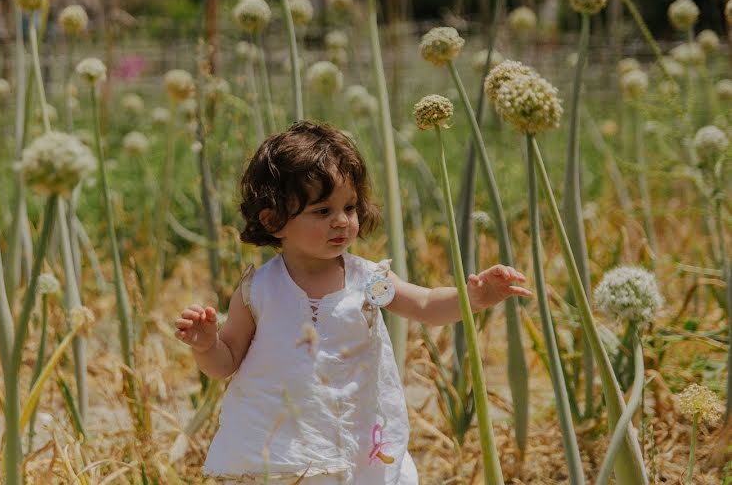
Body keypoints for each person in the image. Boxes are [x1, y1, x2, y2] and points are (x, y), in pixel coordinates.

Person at [175, 121, 532, 484]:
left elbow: (424, 305)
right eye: (322, 211)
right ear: (274, 220)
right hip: (282, 449)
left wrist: (476, 295)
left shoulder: (368, 280)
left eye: (349, 207)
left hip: (352, 438)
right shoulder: (259, 289)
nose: (342, 221)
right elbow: (225, 362)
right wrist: (206, 344)